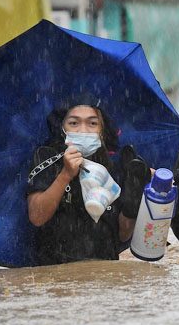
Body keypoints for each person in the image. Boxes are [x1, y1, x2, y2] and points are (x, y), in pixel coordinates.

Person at [26, 96, 151, 265]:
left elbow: (123, 234)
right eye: (74, 123)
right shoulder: (47, 157)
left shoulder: (114, 166)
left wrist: (132, 201)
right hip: (54, 270)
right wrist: (66, 174)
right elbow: (37, 216)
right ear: (62, 128)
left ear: (102, 130)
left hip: (104, 270)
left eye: (92, 123)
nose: (83, 130)